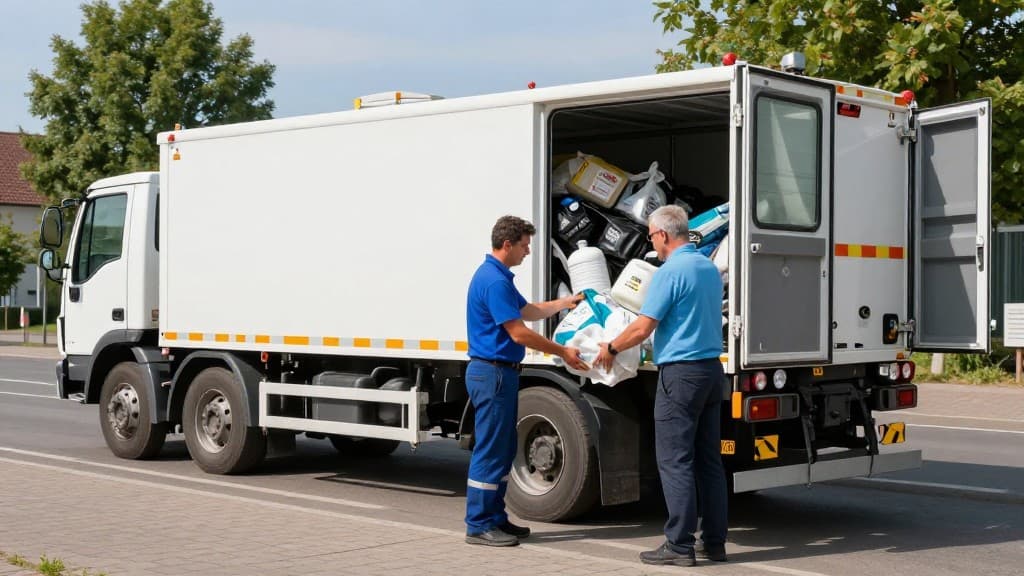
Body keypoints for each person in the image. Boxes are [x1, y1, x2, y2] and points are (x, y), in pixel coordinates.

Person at [594, 205, 728, 567]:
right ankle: (714, 543)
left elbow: (643, 326)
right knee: (708, 461)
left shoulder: (670, 272)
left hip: (681, 374)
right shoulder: (708, 268)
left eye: (652, 236)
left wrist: (610, 347)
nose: (652, 241)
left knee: (675, 460)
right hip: (711, 372)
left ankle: (679, 545)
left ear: (663, 236)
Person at [464, 215, 589, 547]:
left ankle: (495, 518)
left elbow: (528, 311)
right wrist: (562, 351)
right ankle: (478, 525)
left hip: (498, 373)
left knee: (503, 450)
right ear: (507, 244)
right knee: (491, 451)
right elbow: (519, 333)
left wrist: (564, 303)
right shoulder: (492, 281)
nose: (528, 251)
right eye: (525, 245)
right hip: (492, 373)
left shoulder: (499, 278)